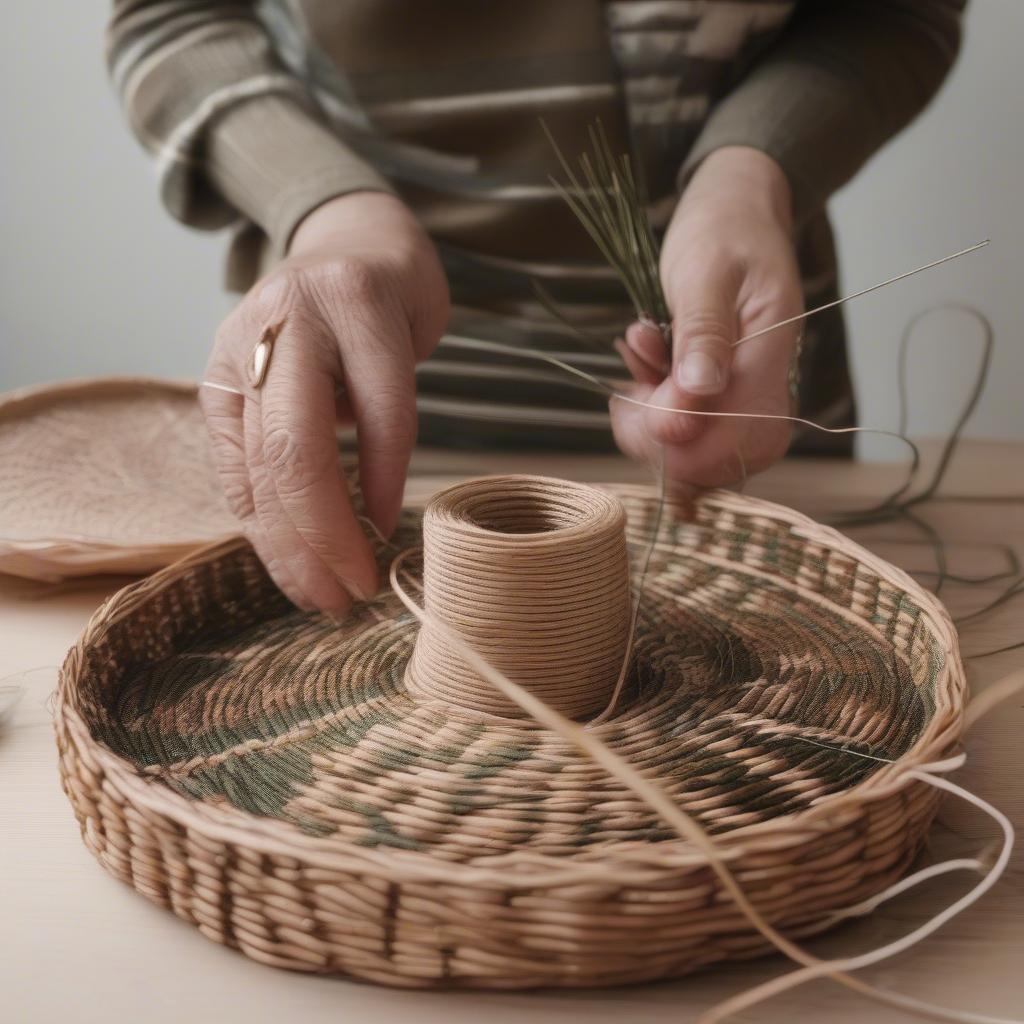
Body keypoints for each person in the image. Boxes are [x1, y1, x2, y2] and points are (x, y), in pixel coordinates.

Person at [108, 0, 964, 616]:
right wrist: (327, 208)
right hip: (366, 402)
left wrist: (755, 171)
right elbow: (172, 17)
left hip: (747, 373)